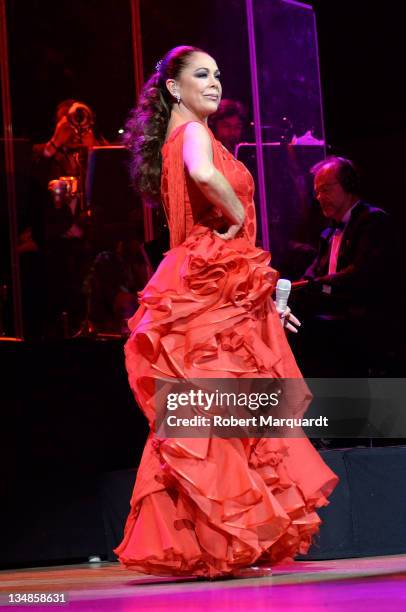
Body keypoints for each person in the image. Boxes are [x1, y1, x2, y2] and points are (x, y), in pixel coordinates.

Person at [114, 46, 338, 579]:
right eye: (201, 75)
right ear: (173, 87)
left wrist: (262, 305)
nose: (214, 83)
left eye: (217, 74)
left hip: (213, 280)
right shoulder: (192, 136)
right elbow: (205, 177)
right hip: (210, 276)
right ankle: (218, 540)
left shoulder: (185, 136)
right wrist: (237, 212)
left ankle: (213, 541)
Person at [291, 156, 392, 377]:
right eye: (317, 192)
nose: (319, 197)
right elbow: (312, 274)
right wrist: (287, 287)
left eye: (325, 189)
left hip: (362, 322)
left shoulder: (372, 220)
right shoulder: (327, 233)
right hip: (334, 321)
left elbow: (362, 273)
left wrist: (315, 285)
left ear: (349, 185)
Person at [21, 99, 108, 337]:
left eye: (82, 120)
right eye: (70, 122)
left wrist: (93, 151)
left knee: (88, 295)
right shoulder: (43, 152)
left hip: (88, 240)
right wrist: (55, 142)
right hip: (52, 242)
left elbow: (110, 183)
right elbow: (29, 184)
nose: (76, 127)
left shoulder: (96, 149)